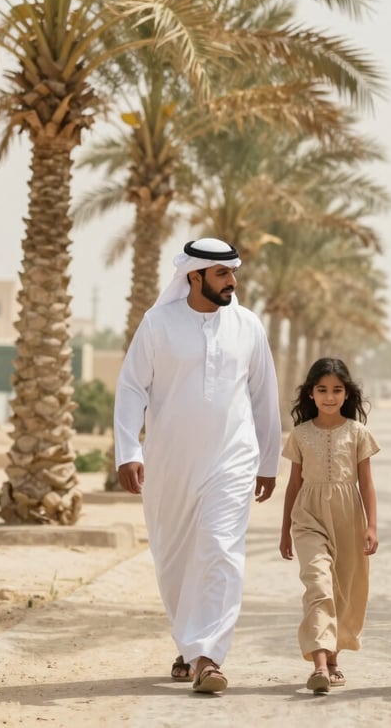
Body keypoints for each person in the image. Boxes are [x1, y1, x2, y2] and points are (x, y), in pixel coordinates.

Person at [114, 237, 282, 694]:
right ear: (195, 276)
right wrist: (128, 451)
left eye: (233, 273)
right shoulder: (158, 323)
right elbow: (131, 388)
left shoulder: (247, 326)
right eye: (223, 273)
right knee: (176, 558)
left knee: (220, 549)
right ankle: (189, 644)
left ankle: (208, 656)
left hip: (232, 458)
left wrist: (268, 460)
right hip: (170, 462)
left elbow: (264, 395)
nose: (232, 281)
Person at [279, 357, 379, 695]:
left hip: (349, 517)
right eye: (322, 390)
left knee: (344, 589)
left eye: (337, 390)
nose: (329, 397)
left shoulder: (358, 433)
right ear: (310, 393)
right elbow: (293, 485)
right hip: (308, 517)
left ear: (347, 393)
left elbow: (367, 483)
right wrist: (285, 530)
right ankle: (320, 665)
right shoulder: (300, 435)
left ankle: (334, 658)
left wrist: (372, 526)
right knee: (319, 585)